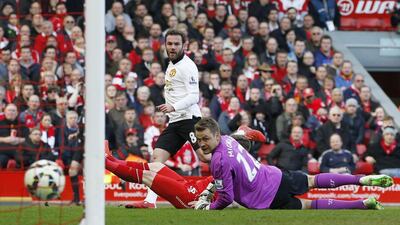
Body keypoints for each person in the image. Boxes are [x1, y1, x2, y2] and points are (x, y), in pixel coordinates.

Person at [191, 117, 392, 210]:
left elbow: (226, 197)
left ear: (217, 134)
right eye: (199, 140)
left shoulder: (217, 160)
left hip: (266, 198)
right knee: (313, 181)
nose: (202, 144)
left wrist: (207, 207)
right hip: (276, 176)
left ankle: (363, 204)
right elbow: (224, 174)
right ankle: (362, 180)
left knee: (310, 205)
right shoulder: (228, 140)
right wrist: (209, 191)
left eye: (205, 139)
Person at [131, 29, 209, 208]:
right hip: (175, 121)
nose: (172, 47)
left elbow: (193, 96)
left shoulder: (188, 66)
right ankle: (150, 201)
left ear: (185, 45)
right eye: (170, 44)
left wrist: (174, 106)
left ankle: (234, 187)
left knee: (206, 158)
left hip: (190, 119)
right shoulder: (172, 64)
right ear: (164, 45)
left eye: (176, 44)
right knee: (156, 159)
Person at [105, 125, 266, 209]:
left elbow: (226, 195)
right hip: (190, 186)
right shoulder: (238, 163)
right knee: (154, 166)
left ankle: (105, 162)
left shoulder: (231, 165)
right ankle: (112, 159)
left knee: (149, 176)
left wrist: (206, 205)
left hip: (190, 198)